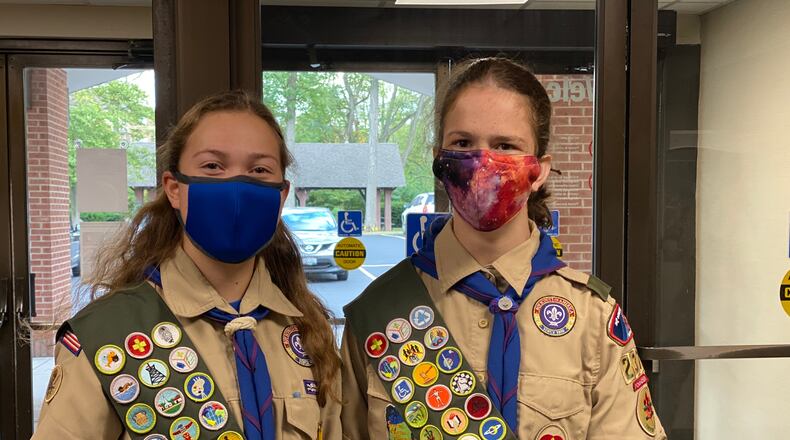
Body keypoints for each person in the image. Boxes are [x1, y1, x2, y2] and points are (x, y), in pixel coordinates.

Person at [340, 58, 666, 439]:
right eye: (463, 143)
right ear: (439, 160)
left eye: (505, 145)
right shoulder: (379, 310)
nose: (482, 163)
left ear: (539, 169)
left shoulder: (592, 318)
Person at [35, 90, 341, 440]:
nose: (237, 186)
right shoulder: (106, 336)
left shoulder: (307, 330)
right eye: (212, 166)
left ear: (281, 195)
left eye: (259, 169)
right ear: (174, 188)